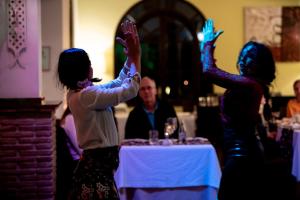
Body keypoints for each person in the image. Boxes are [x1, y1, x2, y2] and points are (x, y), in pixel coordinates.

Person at [57, 20, 141, 199]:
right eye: (88, 63)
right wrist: (136, 57)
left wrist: (129, 59)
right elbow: (130, 90)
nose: (91, 66)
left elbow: (117, 83)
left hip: (97, 166)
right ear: (83, 69)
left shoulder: (80, 93)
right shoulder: (86, 96)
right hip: (97, 167)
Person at [200, 19, 276, 200]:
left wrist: (208, 44)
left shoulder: (251, 85)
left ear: (259, 64)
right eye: (242, 54)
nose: (243, 59)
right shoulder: (249, 85)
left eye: (249, 56)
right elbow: (210, 69)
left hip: (243, 157)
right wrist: (207, 48)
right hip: (239, 154)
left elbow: (209, 70)